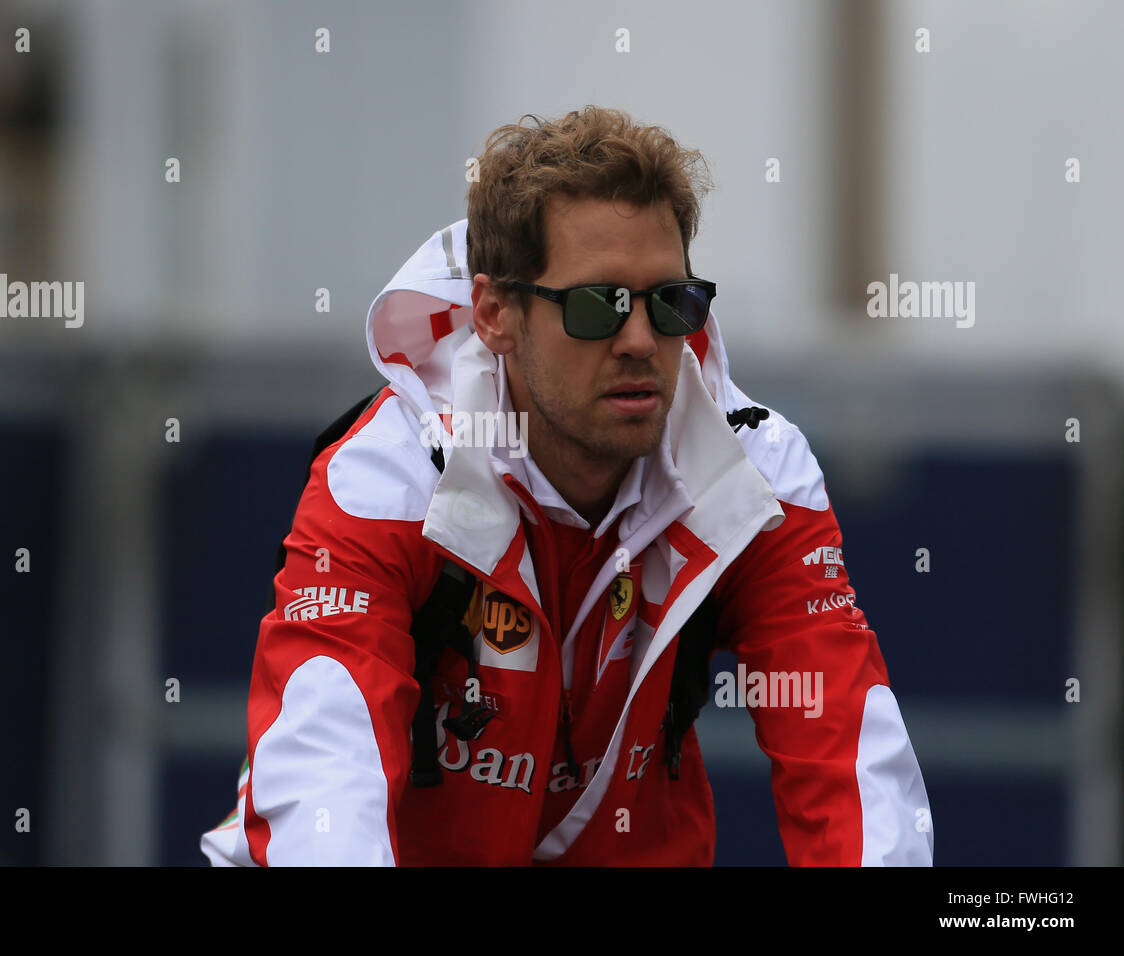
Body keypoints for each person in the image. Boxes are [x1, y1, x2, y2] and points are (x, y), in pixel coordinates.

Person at [200, 106, 933, 866]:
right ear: (494, 315)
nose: (642, 341)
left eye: (670, 302)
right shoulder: (391, 473)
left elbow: (846, 752)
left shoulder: (758, 473)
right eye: (597, 306)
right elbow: (323, 788)